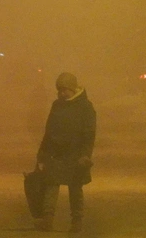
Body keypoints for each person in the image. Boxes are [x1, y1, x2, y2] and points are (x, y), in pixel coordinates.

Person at [35, 72, 96, 233]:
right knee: (51, 186)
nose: (62, 94)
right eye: (59, 90)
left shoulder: (86, 107)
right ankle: (47, 220)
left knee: (75, 188)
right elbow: (49, 131)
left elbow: (89, 134)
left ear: (74, 88)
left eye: (65, 90)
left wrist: (85, 155)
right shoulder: (57, 105)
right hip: (55, 153)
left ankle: (77, 221)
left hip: (76, 155)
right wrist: (42, 154)